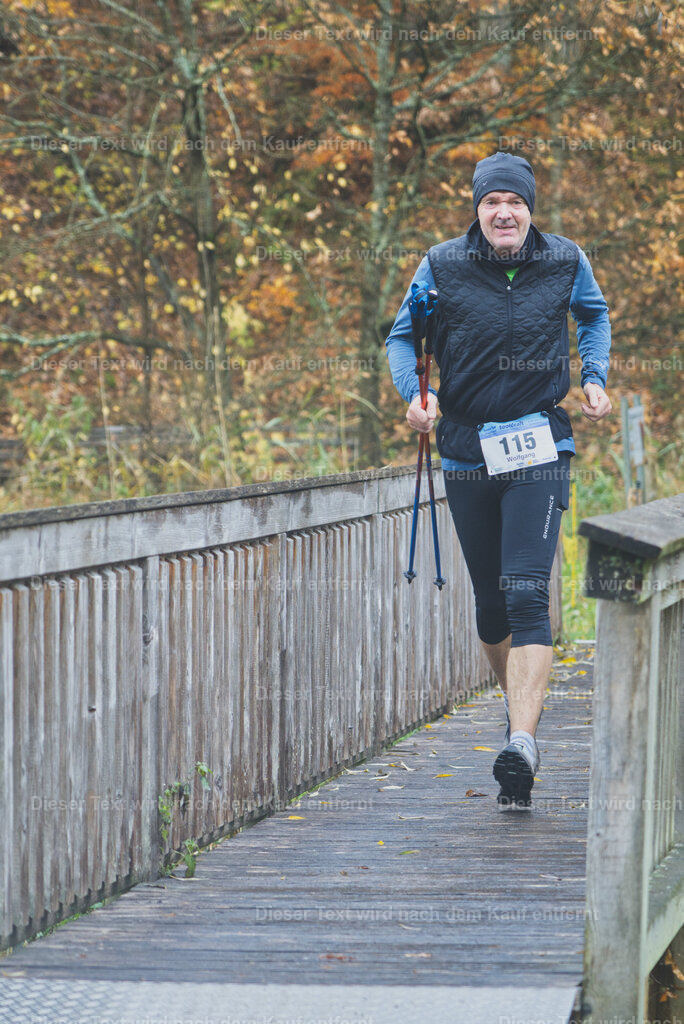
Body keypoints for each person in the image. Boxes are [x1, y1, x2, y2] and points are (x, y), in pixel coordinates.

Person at [385, 151, 612, 808]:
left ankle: (521, 740)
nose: (504, 212)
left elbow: (593, 315)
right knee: (490, 603)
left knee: (523, 593)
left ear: (530, 209)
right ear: (477, 209)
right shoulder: (442, 265)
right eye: (492, 202)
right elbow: (404, 338)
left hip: (540, 445)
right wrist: (415, 397)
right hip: (463, 450)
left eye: (515, 202)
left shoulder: (565, 260)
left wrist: (592, 377)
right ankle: (516, 717)